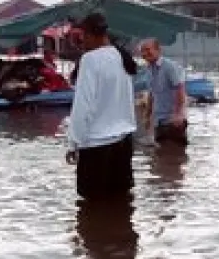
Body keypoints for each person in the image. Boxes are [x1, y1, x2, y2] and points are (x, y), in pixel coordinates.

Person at [65, 13, 138, 201]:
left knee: (92, 205)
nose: (81, 42)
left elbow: (83, 106)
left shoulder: (90, 60)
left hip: (97, 146)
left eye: (82, 36)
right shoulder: (122, 57)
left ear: (91, 35)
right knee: (120, 201)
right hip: (123, 142)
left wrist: (73, 143)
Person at [139, 37, 189, 146]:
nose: (144, 53)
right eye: (142, 51)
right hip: (159, 121)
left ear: (158, 50)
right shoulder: (148, 70)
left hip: (173, 121)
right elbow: (152, 95)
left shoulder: (169, 66)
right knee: (162, 155)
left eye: (148, 49)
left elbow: (180, 88)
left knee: (176, 154)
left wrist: (178, 113)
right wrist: (147, 116)